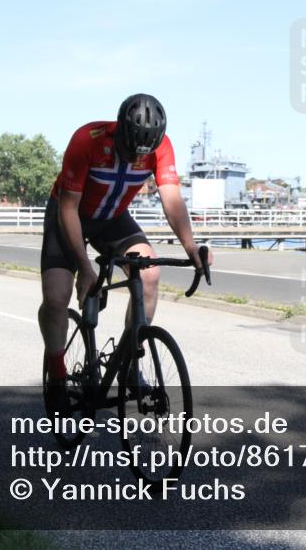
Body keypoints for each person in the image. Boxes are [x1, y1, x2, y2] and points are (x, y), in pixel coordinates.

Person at [38, 94, 211, 412]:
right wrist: (84, 267)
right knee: (56, 297)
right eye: (130, 151)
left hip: (112, 218)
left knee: (149, 274)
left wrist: (190, 246)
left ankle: (132, 362)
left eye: (142, 154)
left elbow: (172, 199)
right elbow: (69, 207)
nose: (135, 159)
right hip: (68, 215)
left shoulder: (162, 147)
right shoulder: (86, 140)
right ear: (118, 132)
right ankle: (58, 372)